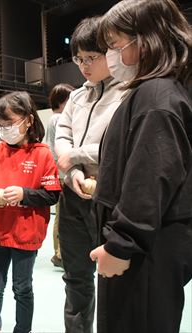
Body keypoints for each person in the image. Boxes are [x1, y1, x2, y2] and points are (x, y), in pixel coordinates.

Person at [89, 1, 192, 332]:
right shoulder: (160, 91)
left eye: (117, 45)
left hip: (145, 252)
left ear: (146, 40)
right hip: (148, 246)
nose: (113, 56)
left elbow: (150, 176)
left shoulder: (158, 95)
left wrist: (122, 244)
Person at [54, 17, 127, 333]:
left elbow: (120, 146)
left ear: (111, 52)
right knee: (76, 278)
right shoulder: (75, 97)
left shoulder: (129, 93)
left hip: (110, 198)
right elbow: (61, 139)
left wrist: (76, 157)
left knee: (114, 277)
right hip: (73, 194)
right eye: (78, 58)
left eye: (91, 58)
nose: (84, 66)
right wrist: (73, 176)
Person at [0, 91, 61, 333]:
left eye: (10, 123)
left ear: (28, 120)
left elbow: (52, 194)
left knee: (22, 287)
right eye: (0, 125)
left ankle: (22, 329)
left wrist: (25, 195)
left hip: (26, 234)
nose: (5, 129)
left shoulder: (42, 153)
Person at [45, 83, 75, 268]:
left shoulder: (53, 119)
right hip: (62, 173)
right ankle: (60, 254)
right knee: (63, 215)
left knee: (61, 214)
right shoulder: (59, 119)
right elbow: (57, 150)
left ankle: (60, 253)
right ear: (62, 101)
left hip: (59, 172)